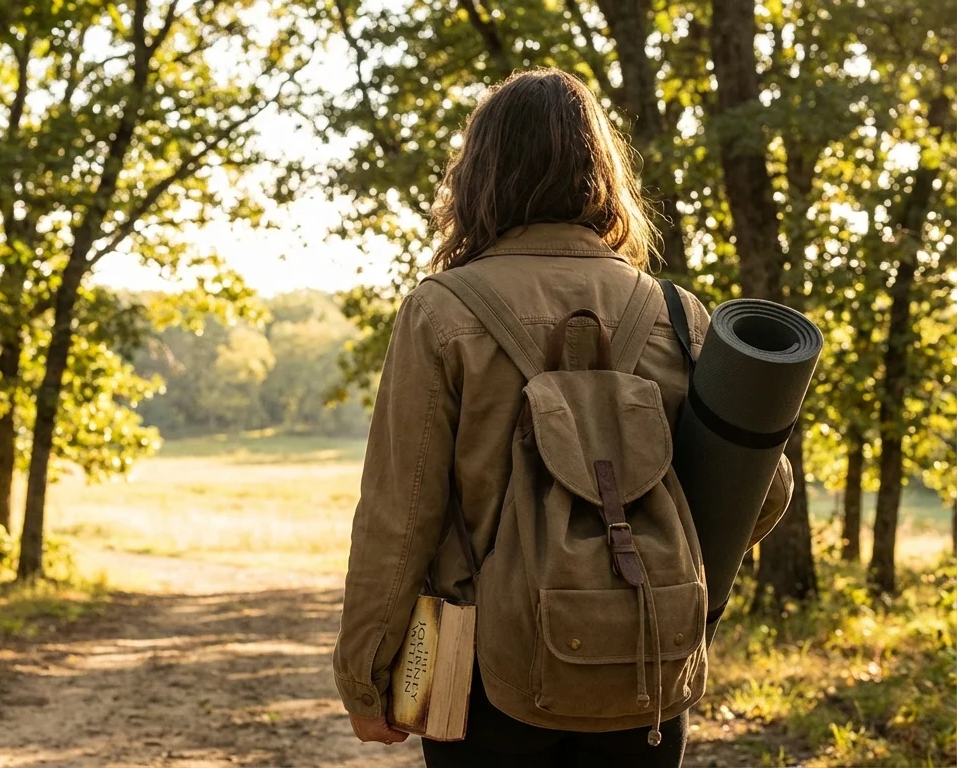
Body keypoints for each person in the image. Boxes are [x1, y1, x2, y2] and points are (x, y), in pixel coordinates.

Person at [332, 68, 794, 768]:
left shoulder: (442, 311)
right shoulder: (677, 313)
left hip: (486, 673)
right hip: (648, 663)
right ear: (602, 170)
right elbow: (768, 484)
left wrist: (367, 679)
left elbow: (400, 515)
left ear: (480, 174)